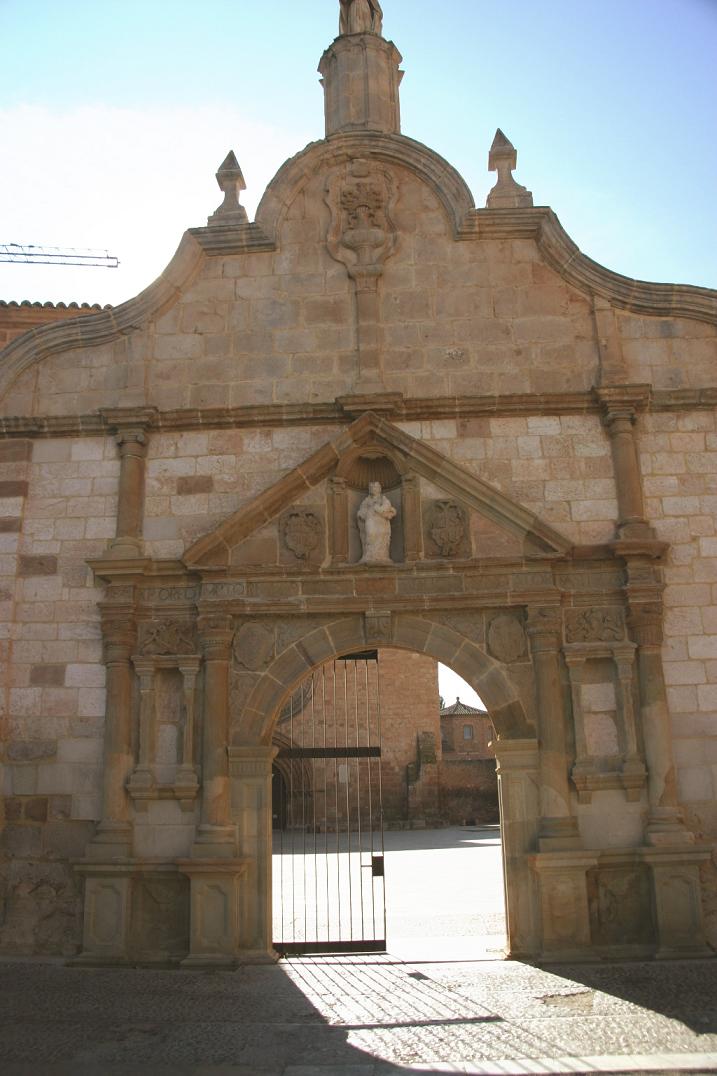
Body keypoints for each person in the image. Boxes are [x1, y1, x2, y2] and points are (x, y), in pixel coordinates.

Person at [357, 481, 396, 563]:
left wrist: (378, 508)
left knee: (381, 536)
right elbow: (362, 510)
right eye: (371, 487)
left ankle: (382, 555)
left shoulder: (383, 499)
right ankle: (370, 555)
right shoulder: (367, 500)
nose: (373, 489)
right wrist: (362, 513)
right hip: (370, 520)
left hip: (381, 522)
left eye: (375, 487)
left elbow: (387, 506)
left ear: (379, 489)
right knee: (370, 535)